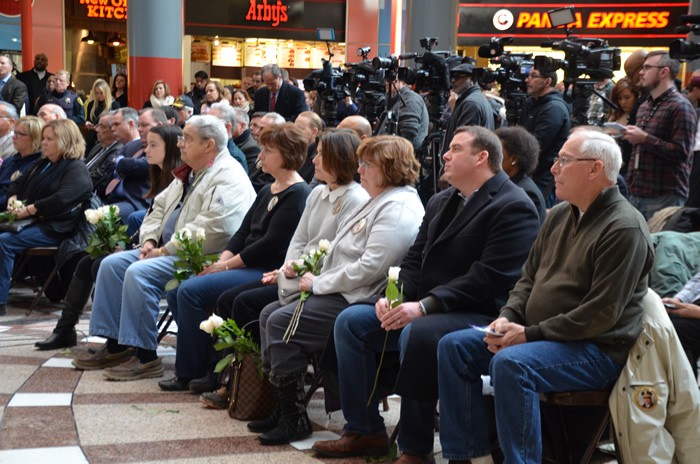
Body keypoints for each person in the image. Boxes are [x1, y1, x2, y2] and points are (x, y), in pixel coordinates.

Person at [311, 126, 541, 462]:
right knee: (352, 322)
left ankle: (415, 449)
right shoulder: (441, 199)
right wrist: (395, 296)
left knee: (420, 334)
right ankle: (365, 429)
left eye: (456, 149)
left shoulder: (513, 205)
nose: (445, 155)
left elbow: (488, 277)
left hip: (480, 312)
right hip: (426, 305)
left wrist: (423, 306)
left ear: (482, 158)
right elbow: (414, 259)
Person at [435, 129, 653, 464]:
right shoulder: (562, 214)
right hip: (542, 336)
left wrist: (527, 335)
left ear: (595, 169)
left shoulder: (624, 227)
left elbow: (600, 314)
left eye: (564, 160)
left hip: (598, 349)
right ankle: (471, 458)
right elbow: (528, 279)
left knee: (511, 363)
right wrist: (508, 318)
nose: (553, 168)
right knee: (454, 347)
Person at [254, 135, 425, 446]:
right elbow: (333, 248)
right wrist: (301, 269)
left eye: (367, 165)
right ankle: (284, 408)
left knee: (279, 322)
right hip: (341, 288)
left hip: (360, 296)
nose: (359, 171)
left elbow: (372, 266)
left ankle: (295, 417)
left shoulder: (398, 207)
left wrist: (318, 282)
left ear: (389, 168)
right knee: (269, 313)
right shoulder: (379, 198)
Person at [71, 115, 256, 379]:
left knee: (139, 272)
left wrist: (165, 249)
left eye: (187, 138)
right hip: (167, 249)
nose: (180, 144)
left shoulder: (229, 175)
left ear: (209, 144)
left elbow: (217, 227)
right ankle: (116, 345)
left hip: (204, 256)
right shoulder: (192, 171)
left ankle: (146, 357)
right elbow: (157, 208)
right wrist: (148, 240)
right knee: (111, 265)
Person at [199, 129, 370, 407]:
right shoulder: (317, 193)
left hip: (319, 281)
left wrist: (293, 272)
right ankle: (240, 382)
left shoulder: (354, 198)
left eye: (321, 155)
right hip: (294, 275)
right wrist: (287, 268)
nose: (314, 161)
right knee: (234, 300)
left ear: (339, 159)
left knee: (247, 304)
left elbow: (337, 251)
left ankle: (263, 390)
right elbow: (299, 240)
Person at [159, 123, 311, 391]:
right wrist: (223, 261)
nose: (260, 156)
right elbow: (242, 232)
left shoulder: (298, 194)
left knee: (191, 291)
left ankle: (194, 371)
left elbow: (268, 245)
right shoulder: (268, 189)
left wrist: (225, 266)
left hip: (264, 268)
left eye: (268, 150)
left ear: (286, 154)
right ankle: (206, 360)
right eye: (261, 149)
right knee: (177, 292)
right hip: (242, 262)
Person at [35, 124, 183, 351]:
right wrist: (126, 243)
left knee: (102, 264)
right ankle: (65, 330)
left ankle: (116, 342)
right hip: (148, 245)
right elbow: (150, 224)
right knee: (87, 261)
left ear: (171, 148)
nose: (146, 151)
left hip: (165, 251)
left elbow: (169, 228)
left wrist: (140, 246)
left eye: (153, 145)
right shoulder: (161, 176)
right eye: (146, 145)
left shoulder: (178, 180)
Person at [0, 119, 92, 316]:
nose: (43, 143)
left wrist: (31, 209)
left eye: (49, 139)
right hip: (31, 221)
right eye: (43, 138)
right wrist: (13, 198)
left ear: (65, 141)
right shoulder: (42, 163)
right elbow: (16, 184)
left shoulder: (75, 168)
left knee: (4, 242)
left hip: (54, 227)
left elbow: (62, 199)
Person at [623, 51, 697, 220]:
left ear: (664, 72)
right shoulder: (644, 105)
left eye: (647, 67)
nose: (641, 72)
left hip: (664, 195)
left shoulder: (681, 107)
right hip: (636, 191)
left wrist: (644, 139)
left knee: (659, 245)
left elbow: (682, 153)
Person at [519, 64, 571, 207]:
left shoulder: (554, 108)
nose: (527, 80)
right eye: (528, 76)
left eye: (534, 76)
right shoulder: (532, 103)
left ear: (548, 81)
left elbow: (536, 145)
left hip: (545, 177)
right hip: (531, 174)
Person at [106, 108, 166, 221]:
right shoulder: (136, 145)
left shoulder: (166, 146)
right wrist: (123, 164)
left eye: (144, 125)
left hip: (136, 201)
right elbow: (110, 160)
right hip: (112, 196)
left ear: (159, 125)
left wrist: (120, 162)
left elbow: (142, 166)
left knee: (104, 216)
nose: (139, 129)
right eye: (139, 125)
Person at [442, 63, 495, 157]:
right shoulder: (472, 99)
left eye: (458, 77)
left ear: (472, 79)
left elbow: (463, 143)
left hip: (465, 166)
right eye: (452, 77)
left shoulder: (470, 103)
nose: (453, 80)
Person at [495, 126, 547, 223]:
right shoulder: (507, 184)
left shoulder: (526, 192)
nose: (490, 157)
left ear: (514, 159)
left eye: (497, 153)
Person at [661, 271, 700, 378]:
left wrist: (696, 311)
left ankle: (686, 390)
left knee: (673, 330)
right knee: (659, 322)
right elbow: (696, 282)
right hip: (693, 308)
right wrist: (675, 302)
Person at [375, 76, 429, 153]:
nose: (387, 82)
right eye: (386, 80)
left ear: (403, 82)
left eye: (391, 79)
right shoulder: (395, 100)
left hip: (400, 159)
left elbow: (407, 139)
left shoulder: (410, 99)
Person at [0, 116, 43, 208]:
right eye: (14, 132)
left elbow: (21, 197)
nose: (14, 137)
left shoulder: (38, 165)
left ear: (35, 138)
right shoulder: (10, 161)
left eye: (20, 134)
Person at [84, 111, 123, 201]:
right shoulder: (98, 146)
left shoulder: (118, 150)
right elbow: (85, 164)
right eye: (97, 125)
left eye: (102, 126)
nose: (97, 129)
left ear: (113, 130)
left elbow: (98, 176)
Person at [208, 101, 248, 173]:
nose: (205, 127)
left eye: (212, 124)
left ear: (227, 127)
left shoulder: (234, 157)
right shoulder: (210, 148)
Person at [84, 79, 120, 154]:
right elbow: (88, 119)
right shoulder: (91, 104)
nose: (99, 96)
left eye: (101, 93)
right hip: (92, 137)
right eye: (96, 93)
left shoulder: (114, 105)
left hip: (107, 136)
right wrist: (88, 123)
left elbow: (116, 122)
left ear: (106, 93)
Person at [294, 111, 324, 183]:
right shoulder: (294, 150)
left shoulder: (317, 158)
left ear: (314, 132)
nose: (294, 132)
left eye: (300, 128)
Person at [232, 107, 261, 172]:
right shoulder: (234, 140)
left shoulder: (252, 148)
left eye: (231, 123)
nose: (251, 128)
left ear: (242, 126)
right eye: (251, 124)